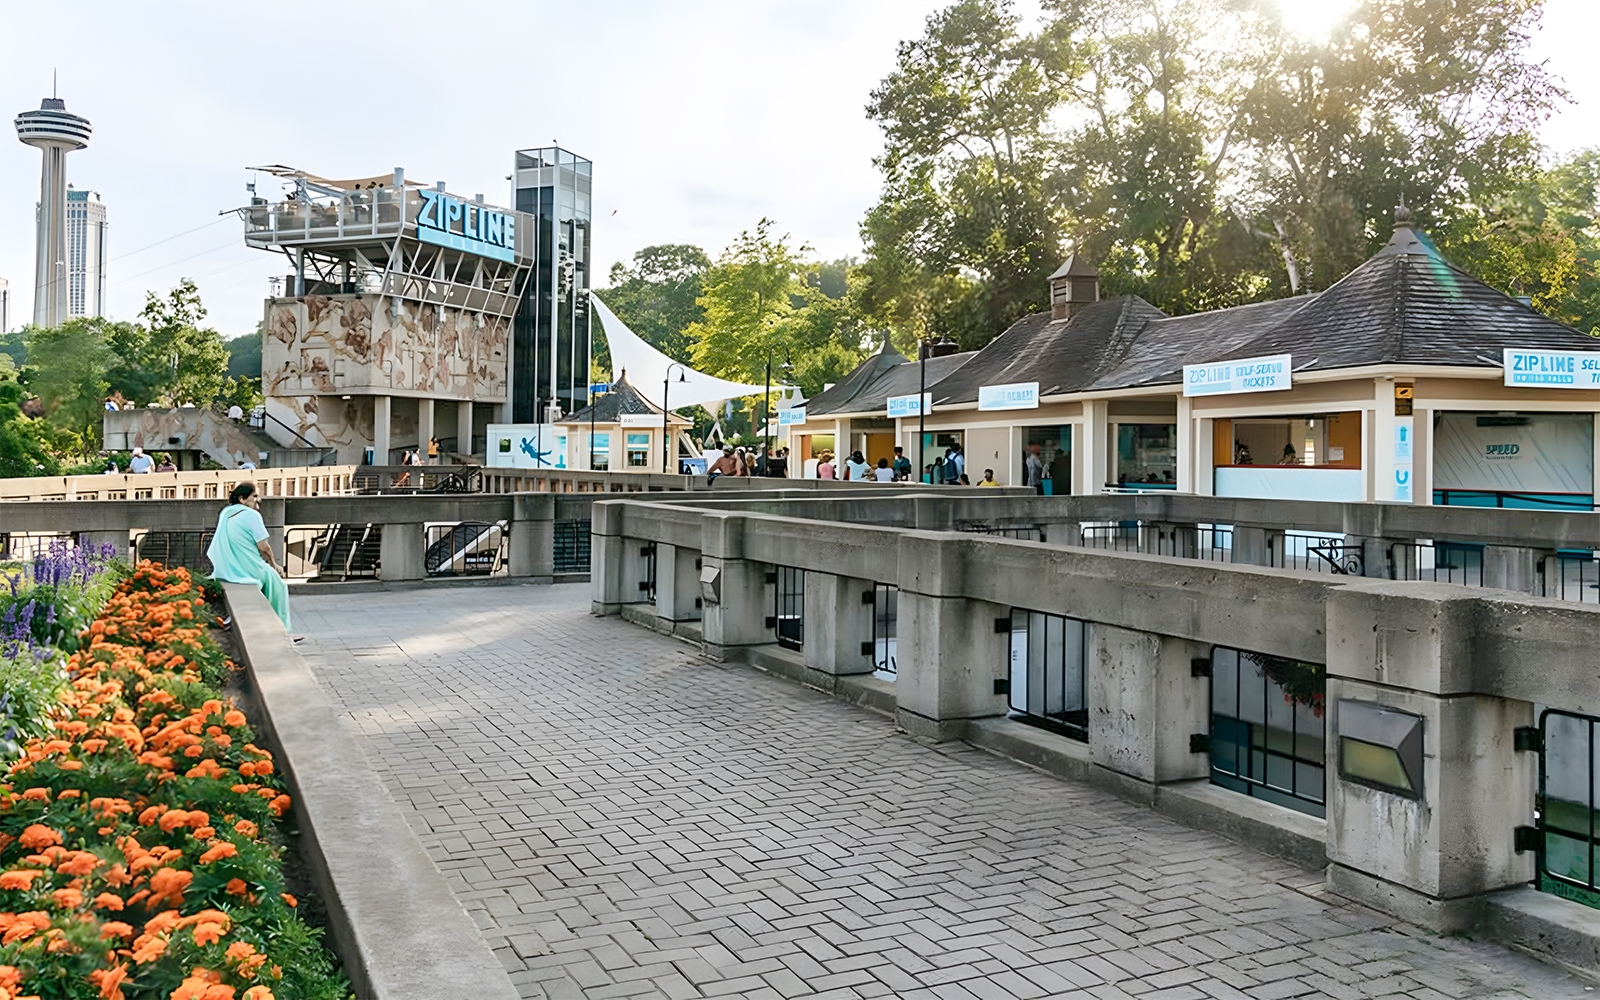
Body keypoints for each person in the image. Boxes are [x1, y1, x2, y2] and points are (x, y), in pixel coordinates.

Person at [206, 481, 292, 631]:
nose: (257, 499)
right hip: (250, 567)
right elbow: (263, 546)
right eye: (254, 496)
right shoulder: (252, 515)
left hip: (229, 567)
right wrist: (273, 563)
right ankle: (281, 629)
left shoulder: (226, 512)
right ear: (242, 499)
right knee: (279, 587)